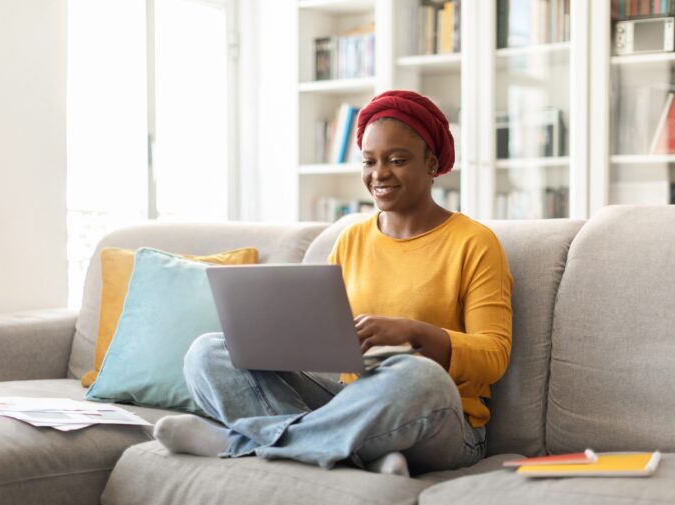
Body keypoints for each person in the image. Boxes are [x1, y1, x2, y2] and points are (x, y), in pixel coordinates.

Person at [154, 90, 513, 477]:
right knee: (207, 353)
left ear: (431, 162)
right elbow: (324, 341)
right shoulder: (351, 239)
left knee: (419, 375)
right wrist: (285, 340)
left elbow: (493, 357)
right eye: (369, 161)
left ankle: (241, 443)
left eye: (397, 160)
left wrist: (414, 333)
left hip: (444, 418)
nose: (380, 174)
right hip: (350, 402)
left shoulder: (474, 242)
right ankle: (355, 452)